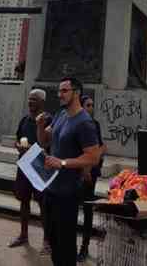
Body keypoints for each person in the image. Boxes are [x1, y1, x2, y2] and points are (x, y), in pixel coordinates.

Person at [37, 77, 101, 266]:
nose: (60, 94)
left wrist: (62, 163)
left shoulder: (84, 122)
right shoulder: (61, 114)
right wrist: (39, 126)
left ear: (77, 93)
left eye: (65, 90)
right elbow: (45, 141)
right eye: (59, 91)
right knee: (53, 240)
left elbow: (93, 157)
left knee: (65, 244)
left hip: (68, 191)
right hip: (51, 187)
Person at [8, 89, 52, 253]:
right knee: (24, 201)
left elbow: (48, 144)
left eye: (34, 99)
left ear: (42, 102)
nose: (30, 102)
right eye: (29, 99)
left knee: (43, 205)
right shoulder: (25, 120)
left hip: (40, 167)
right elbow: (18, 138)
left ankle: (47, 240)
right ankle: (23, 235)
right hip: (24, 166)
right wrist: (18, 146)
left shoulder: (48, 120)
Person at [77, 94, 106, 263]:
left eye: (92, 105)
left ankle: (84, 247)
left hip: (90, 175)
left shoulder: (95, 124)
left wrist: (90, 167)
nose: (91, 108)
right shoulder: (74, 123)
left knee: (87, 210)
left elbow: (101, 147)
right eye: (87, 105)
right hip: (76, 172)